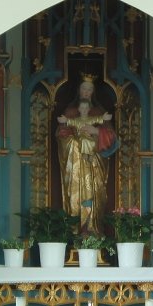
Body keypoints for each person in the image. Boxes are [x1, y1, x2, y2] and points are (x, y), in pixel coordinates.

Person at [56, 75, 119, 235]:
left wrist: (96, 131)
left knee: (94, 192)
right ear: (79, 90)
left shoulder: (99, 112)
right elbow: (62, 133)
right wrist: (75, 144)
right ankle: (77, 231)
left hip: (94, 162)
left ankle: (93, 228)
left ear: (93, 92)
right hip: (76, 163)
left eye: (89, 89)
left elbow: (112, 137)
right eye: (84, 88)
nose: (86, 92)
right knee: (78, 194)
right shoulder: (71, 112)